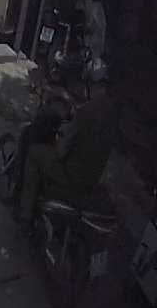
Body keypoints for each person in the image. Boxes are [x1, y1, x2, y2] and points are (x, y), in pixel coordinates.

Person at [16, 93, 122, 236]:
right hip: (91, 180)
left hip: (70, 174)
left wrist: (58, 140)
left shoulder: (86, 113)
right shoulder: (112, 122)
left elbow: (61, 152)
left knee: (33, 153)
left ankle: (25, 216)